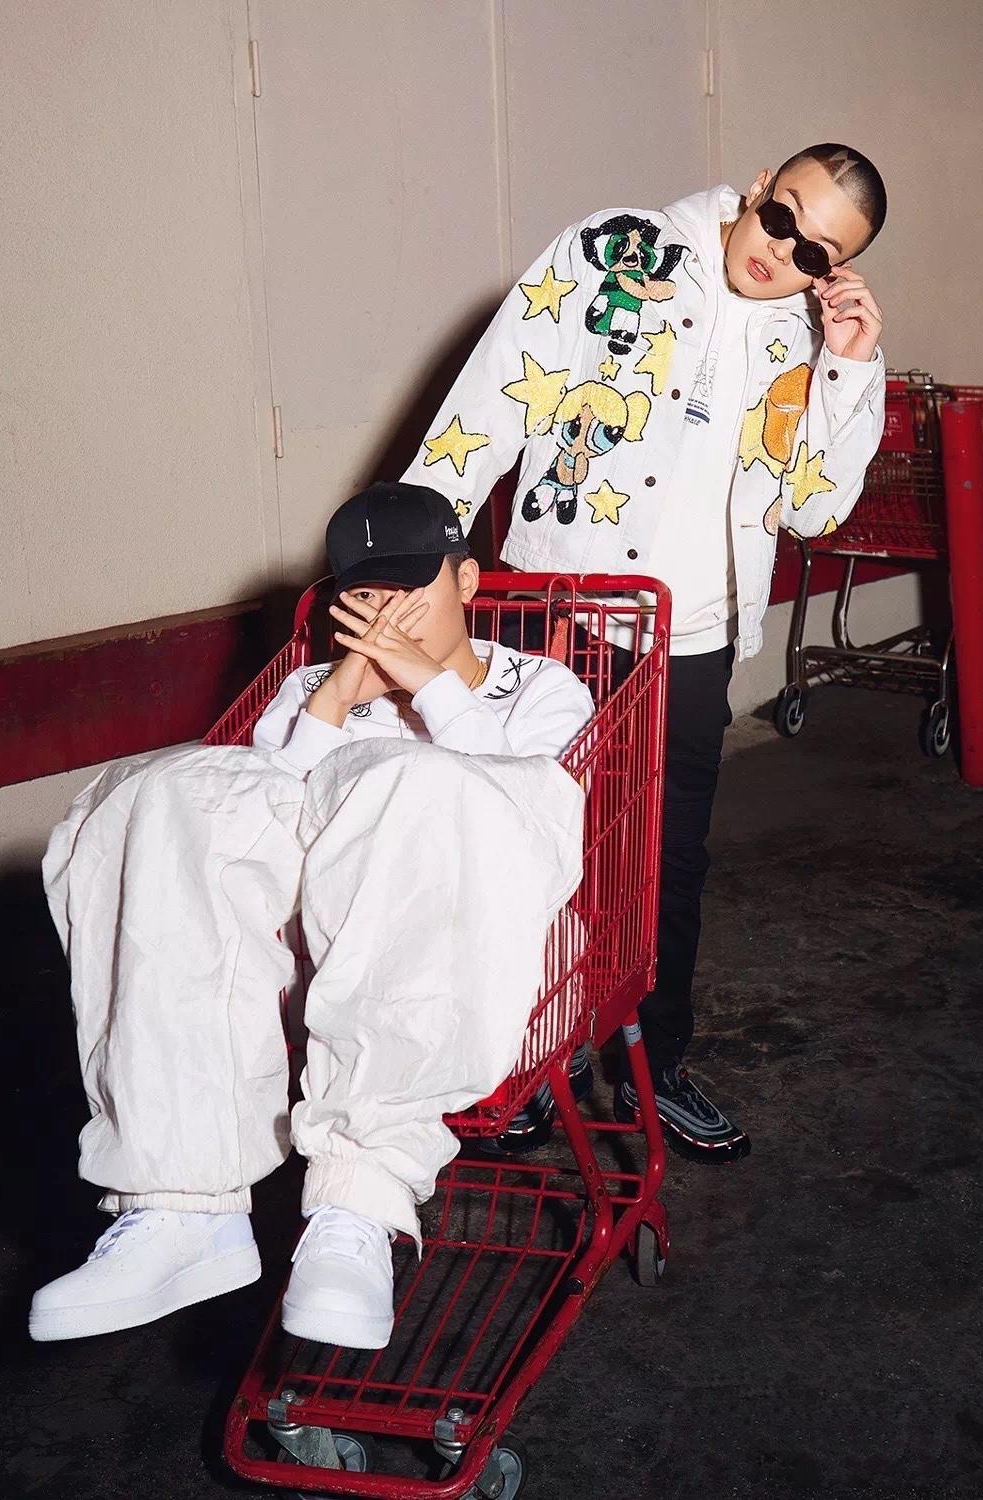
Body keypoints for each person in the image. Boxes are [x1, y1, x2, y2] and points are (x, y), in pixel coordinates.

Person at [401, 143, 888, 1159]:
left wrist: (846, 369)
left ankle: (645, 1072)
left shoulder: (804, 338)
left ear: (833, 270)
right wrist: (411, 552)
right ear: (759, 187)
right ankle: (518, 1062)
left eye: (814, 253)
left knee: (664, 866)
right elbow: (492, 400)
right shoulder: (617, 250)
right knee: (524, 851)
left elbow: (811, 508)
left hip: (688, 637)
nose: (781, 252)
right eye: (782, 217)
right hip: (558, 612)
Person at [30, 483, 594, 1349]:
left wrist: (429, 686)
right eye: (364, 594)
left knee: (413, 783)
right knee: (170, 790)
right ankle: (181, 1203)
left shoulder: (539, 687)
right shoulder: (310, 689)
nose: (388, 613)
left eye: (410, 587)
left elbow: (536, 823)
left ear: (466, 581)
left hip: (490, 939)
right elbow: (257, 826)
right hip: (320, 952)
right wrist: (335, 699)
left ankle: (359, 1201)